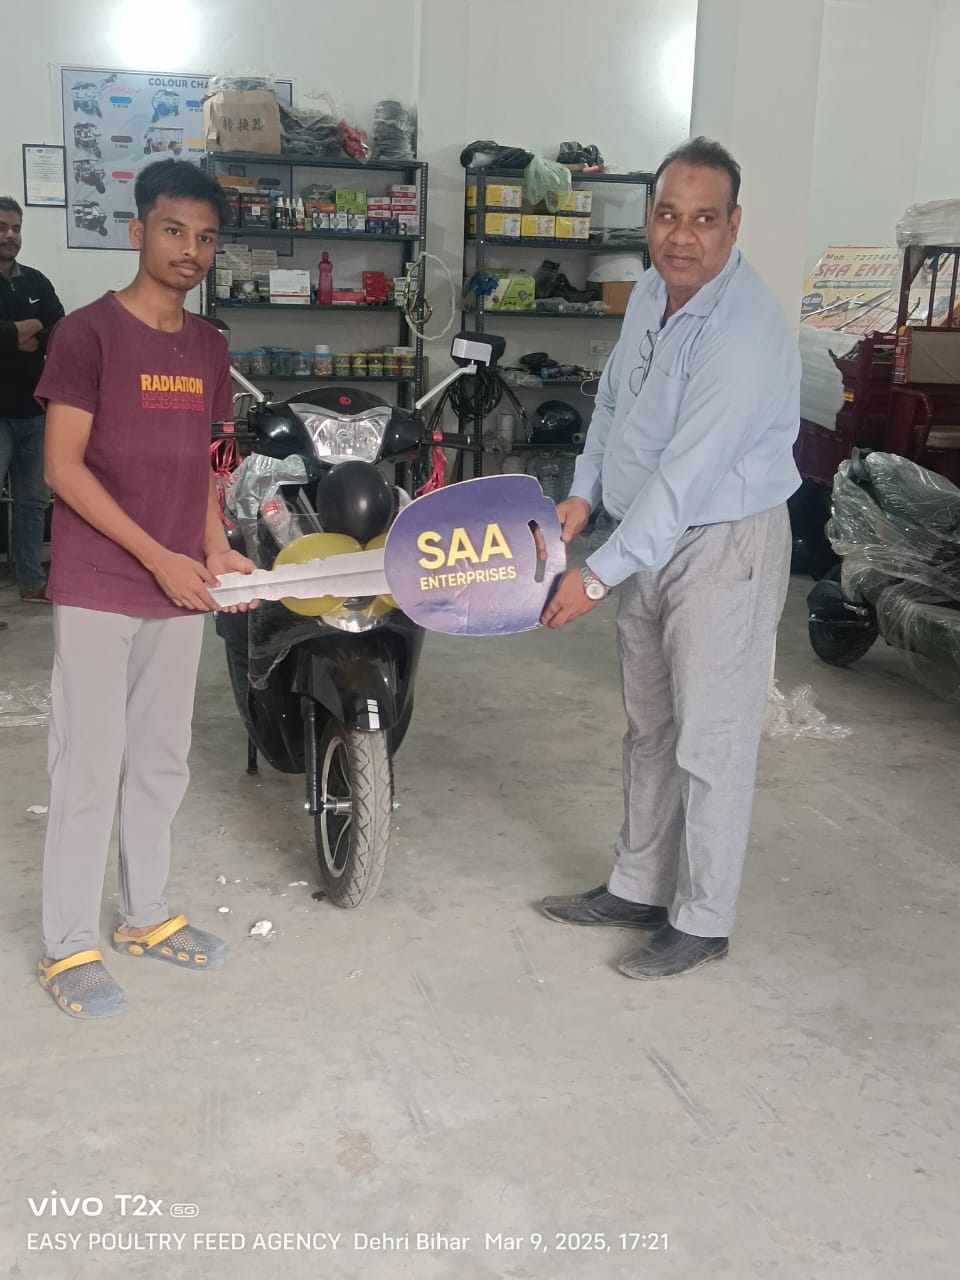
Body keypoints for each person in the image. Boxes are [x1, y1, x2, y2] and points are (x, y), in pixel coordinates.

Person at [539, 137, 800, 979]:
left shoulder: (743, 332)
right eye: (668, 215)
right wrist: (584, 494)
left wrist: (594, 574)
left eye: (704, 219)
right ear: (649, 218)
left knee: (710, 740)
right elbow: (615, 403)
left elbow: (687, 480)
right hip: (644, 536)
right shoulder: (652, 290)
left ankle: (703, 918)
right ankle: (640, 885)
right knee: (650, 725)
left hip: (723, 545)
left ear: (734, 225)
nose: (682, 237)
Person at [34, 160, 256, 1019]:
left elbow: (200, 467)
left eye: (205, 238)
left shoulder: (208, 347)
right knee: (89, 763)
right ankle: (66, 944)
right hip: (100, 580)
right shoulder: (87, 334)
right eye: (172, 231)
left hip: (181, 581)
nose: (189, 250)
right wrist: (157, 556)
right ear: (137, 232)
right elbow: (62, 469)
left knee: (162, 758)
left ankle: (144, 914)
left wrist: (214, 547)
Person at [0, 196, 65, 601]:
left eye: (16, 228)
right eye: (2, 227)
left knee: (34, 501)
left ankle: (30, 581)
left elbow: (59, 331)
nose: (10, 235)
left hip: (35, 410)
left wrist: (13, 334)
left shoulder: (36, 281)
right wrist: (22, 331)